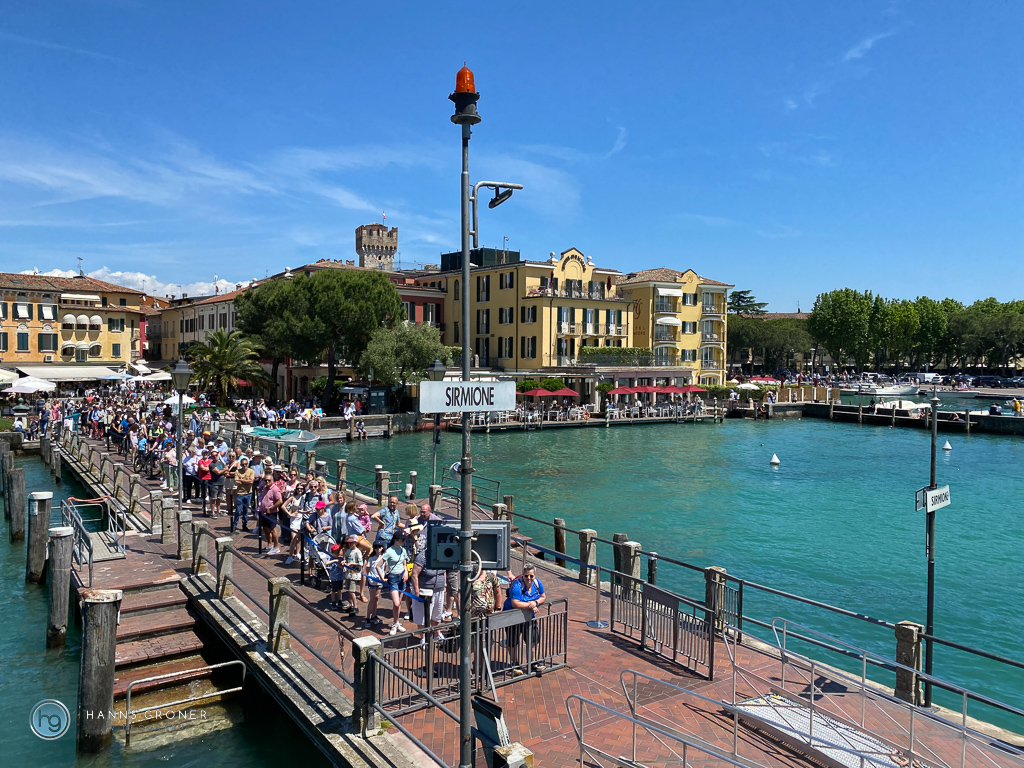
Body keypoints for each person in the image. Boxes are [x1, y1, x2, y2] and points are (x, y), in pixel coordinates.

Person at [503, 564, 546, 671]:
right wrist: (531, 605)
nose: (529, 578)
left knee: (533, 639)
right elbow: (515, 603)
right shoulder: (517, 586)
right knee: (513, 642)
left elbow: (543, 597)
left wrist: (535, 603)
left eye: (531, 576)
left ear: (534, 575)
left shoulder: (537, 583)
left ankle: (533, 662)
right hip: (512, 616)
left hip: (529, 616)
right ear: (523, 575)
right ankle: (515, 664)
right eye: (526, 576)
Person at [383, 532, 410, 635]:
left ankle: (396, 622)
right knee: (396, 603)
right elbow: (379, 565)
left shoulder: (403, 550)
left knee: (399, 603)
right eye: (402, 540)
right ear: (396, 540)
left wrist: (406, 572)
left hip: (402, 577)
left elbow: (404, 564)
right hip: (393, 578)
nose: (403, 541)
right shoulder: (389, 551)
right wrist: (382, 577)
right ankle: (395, 623)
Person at [258, 466, 286, 555]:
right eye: (265, 480)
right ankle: (269, 544)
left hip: (271, 513)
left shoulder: (275, 489)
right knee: (265, 528)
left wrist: (271, 508)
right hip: (263, 512)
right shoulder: (265, 488)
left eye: (268, 480)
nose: (267, 482)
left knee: (273, 529)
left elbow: (280, 501)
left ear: (272, 481)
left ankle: (276, 547)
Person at [363, 542, 387, 629]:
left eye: (379, 547)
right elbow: (367, 569)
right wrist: (370, 577)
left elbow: (385, 568)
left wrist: (382, 576)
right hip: (372, 581)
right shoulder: (371, 558)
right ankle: (367, 618)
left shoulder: (384, 558)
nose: (378, 549)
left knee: (376, 598)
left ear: (382, 548)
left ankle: (374, 615)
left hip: (380, 581)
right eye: (376, 547)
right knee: (372, 599)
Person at [232, 456, 255, 533]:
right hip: (240, 493)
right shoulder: (237, 471)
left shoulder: (251, 471)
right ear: (241, 464)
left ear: (248, 464)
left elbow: (251, 481)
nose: (244, 466)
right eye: (243, 464)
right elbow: (236, 482)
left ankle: (244, 525)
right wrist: (246, 481)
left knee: (245, 511)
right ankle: (234, 525)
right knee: (238, 510)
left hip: (248, 493)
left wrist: (241, 480)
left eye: (246, 464)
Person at [342, 535, 363, 616]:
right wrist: (344, 561)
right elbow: (346, 559)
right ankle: (351, 605)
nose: (350, 544)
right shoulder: (348, 551)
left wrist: (352, 564)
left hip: (354, 574)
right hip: (348, 574)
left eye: (351, 543)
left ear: (355, 543)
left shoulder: (358, 552)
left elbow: (360, 563)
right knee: (349, 590)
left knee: (352, 591)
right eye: (349, 543)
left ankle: (355, 607)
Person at [326, 543, 346, 611]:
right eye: (335, 553)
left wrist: (340, 564)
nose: (337, 554)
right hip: (334, 578)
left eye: (338, 553)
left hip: (340, 577)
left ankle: (340, 601)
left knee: (340, 590)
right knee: (334, 591)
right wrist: (334, 560)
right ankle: (333, 603)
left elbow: (342, 567)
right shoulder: (331, 558)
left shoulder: (340, 558)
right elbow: (326, 563)